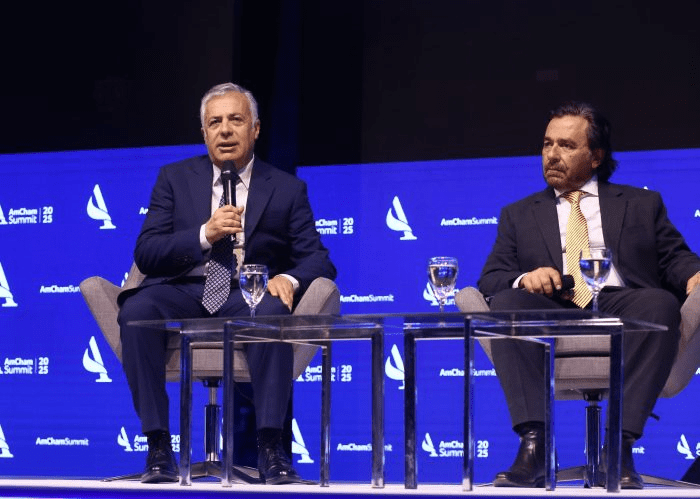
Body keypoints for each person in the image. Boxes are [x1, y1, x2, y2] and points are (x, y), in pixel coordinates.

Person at [117, 82, 336, 484]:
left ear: (255, 128)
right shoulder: (174, 178)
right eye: (214, 122)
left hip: (246, 293)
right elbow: (147, 252)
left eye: (235, 119)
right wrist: (205, 234)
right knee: (136, 310)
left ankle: (271, 447)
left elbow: (318, 259)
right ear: (204, 133)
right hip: (184, 288)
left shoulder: (287, 188)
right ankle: (158, 446)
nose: (225, 130)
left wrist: (287, 278)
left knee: (271, 313)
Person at [478, 101, 700, 489]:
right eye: (547, 144)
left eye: (566, 145)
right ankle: (535, 446)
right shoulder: (519, 213)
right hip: (555, 305)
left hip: (619, 301)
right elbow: (492, 278)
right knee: (509, 303)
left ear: (596, 156)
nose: (552, 154)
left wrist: (694, 274)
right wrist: (526, 278)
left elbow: (673, 258)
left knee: (661, 303)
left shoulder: (641, 203)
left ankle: (619, 445)